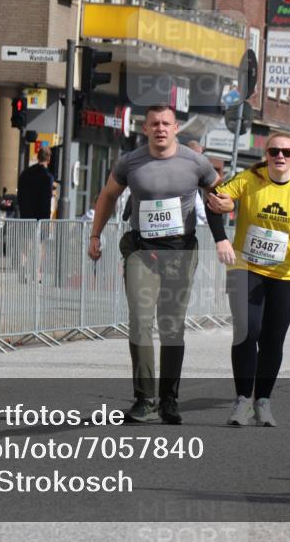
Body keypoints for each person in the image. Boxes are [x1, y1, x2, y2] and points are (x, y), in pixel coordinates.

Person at [88, 105, 224, 425]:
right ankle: (145, 400)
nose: (160, 128)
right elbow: (108, 195)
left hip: (180, 253)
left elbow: (220, 194)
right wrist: (95, 235)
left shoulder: (196, 163)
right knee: (140, 320)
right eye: (154, 124)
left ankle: (169, 399)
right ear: (145, 128)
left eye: (166, 123)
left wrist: (228, 209)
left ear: (176, 127)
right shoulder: (131, 162)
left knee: (171, 327)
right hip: (142, 250)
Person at [206, 133, 290, 427]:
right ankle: (243, 400)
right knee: (248, 330)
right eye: (274, 151)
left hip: (285, 273)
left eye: (286, 151)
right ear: (267, 154)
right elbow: (214, 203)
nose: (280, 156)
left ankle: (264, 401)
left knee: (273, 339)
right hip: (246, 267)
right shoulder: (249, 179)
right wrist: (221, 239)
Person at [17, 147, 55, 220]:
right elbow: (46, 201)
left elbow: (20, 195)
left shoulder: (24, 173)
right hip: (38, 219)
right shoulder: (47, 177)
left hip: (24, 217)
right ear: (49, 159)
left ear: (38, 157)